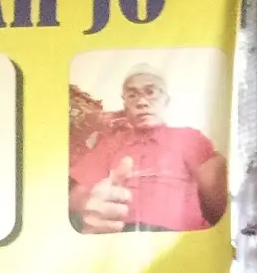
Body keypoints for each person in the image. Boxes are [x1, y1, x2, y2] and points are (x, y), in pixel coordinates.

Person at [68, 62, 228, 235]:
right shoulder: (110, 143)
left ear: (166, 100)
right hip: (121, 236)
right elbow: (76, 196)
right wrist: (92, 204)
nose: (142, 102)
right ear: (125, 105)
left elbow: (216, 194)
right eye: (132, 95)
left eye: (150, 92)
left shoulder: (189, 137)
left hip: (181, 236)